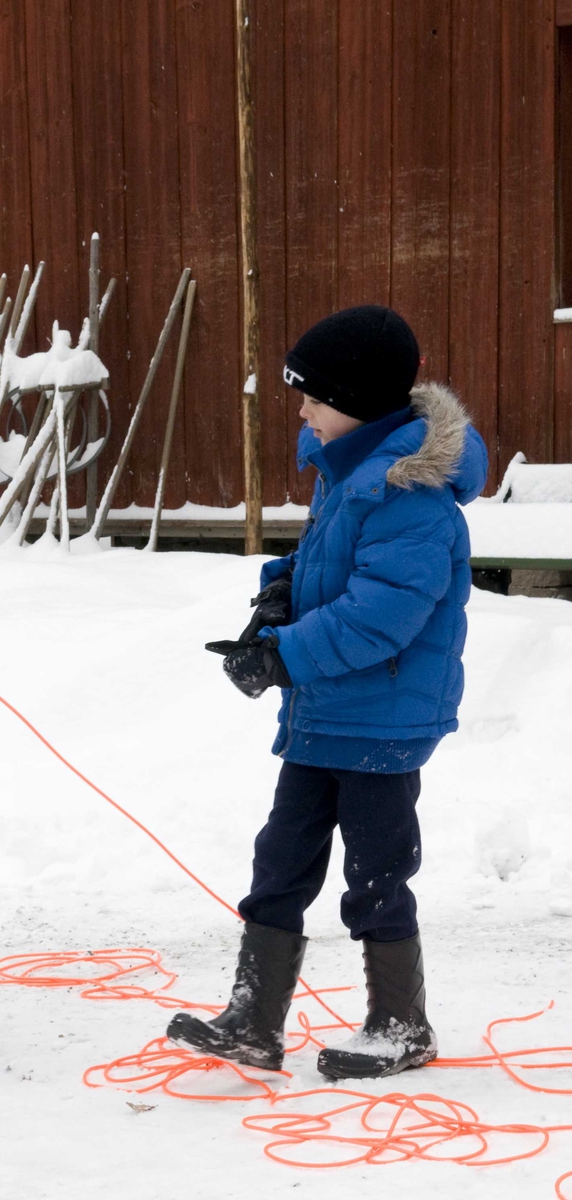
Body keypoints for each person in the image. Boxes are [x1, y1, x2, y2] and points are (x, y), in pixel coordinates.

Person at [167, 306, 487, 1080]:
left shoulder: (409, 495)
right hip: (325, 708)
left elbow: (381, 617)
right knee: (279, 859)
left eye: (313, 396)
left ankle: (399, 1022)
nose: (301, 410)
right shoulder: (347, 471)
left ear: (358, 400)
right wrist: (278, 595)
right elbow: (324, 563)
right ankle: (253, 1017)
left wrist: (281, 657)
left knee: (375, 874)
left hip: (380, 714)